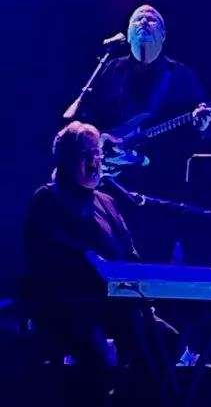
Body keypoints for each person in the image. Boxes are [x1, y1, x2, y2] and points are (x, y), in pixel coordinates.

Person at [23, 121, 141, 365]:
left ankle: (133, 398)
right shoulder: (47, 198)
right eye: (85, 154)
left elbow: (128, 253)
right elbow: (50, 255)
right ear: (65, 160)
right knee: (101, 360)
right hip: (72, 305)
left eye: (96, 153)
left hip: (117, 301)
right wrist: (94, 263)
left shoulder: (107, 201)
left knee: (163, 341)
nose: (94, 160)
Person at [73, 4, 211, 147]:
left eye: (151, 19)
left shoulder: (182, 76)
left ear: (163, 35)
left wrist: (202, 127)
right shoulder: (110, 70)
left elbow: (203, 132)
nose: (144, 21)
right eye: (138, 19)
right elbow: (88, 117)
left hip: (164, 163)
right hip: (111, 165)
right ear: (128, 35)